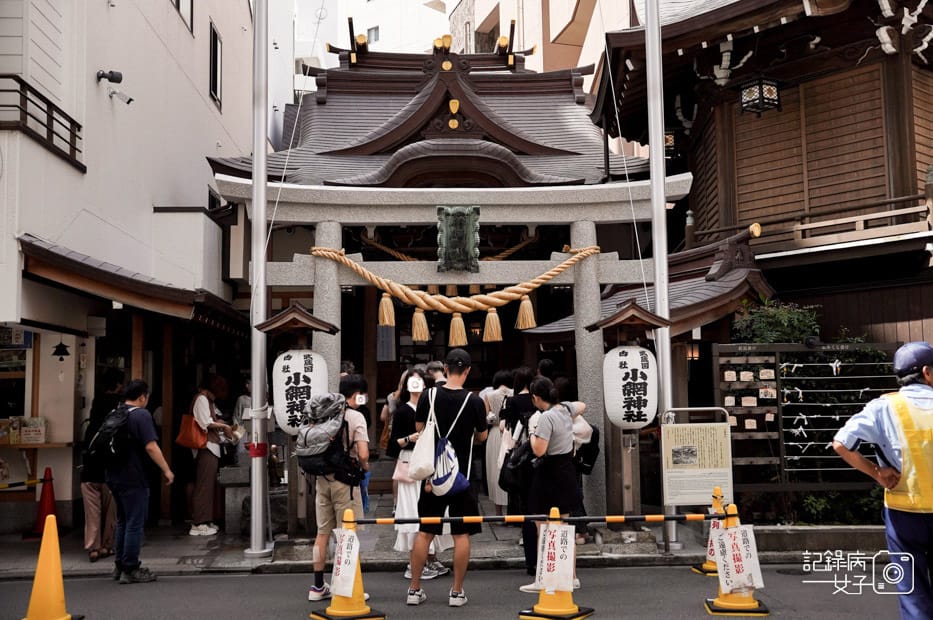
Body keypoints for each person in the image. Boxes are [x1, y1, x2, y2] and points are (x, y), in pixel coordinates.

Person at [833, 341, 933, 619]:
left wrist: (877, 472)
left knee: (912, 591)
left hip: (904, 513)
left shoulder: (883, 407)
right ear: (927, 372)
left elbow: (841, 443)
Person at [406, 348, 487, 608]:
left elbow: (419, 429)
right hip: (460, 476)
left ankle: (414, 589)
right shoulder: (474, 401)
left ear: (446, 368)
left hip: (432, 476)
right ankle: (456, 592)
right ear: (466, 371)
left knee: (426, 531)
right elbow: (482, 436)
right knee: (461, 534)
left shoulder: (428, 395)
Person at [520, 376, 585, 593]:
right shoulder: (565, 409)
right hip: (566, 472)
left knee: (542, 527)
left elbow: (539, 449)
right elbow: (582, 405)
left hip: (549, 473)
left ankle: (543, 578)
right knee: (565, 527)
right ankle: (572, 576)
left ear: (536, 398)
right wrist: (568, 407)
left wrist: (531, 433)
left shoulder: (545, 417)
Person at [106, 380, 174, 584]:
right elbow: (151, 447)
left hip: (113, 476)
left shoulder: (115, 413)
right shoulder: (141, 415)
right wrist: (167, 470)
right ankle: (131, 568)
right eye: (147, 397)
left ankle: (119, 565)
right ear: (142, 397)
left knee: (123, 521)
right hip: (133, 476)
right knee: (135, 523)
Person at [307, 391, 370, 602]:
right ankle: (348, 587)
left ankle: (317, 586)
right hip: (345, 481)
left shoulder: (319, 415)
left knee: (322, 533)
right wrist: (365, 468)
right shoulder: (354, 417)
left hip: (321, 478)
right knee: (347, 534)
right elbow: (363, 454)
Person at [389, 368, 451, 580]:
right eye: (412, 382)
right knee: (412, 512)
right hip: (410, 463)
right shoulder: (401, 411)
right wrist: (410, 438)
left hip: (429, 464)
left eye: (419, 382)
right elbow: (392, 444)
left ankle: (430, 558)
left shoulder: (431, 407)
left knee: (430, 511)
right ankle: (415, 562)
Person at [80, 369, 122, 562]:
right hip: (110, 471)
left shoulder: (91, 425)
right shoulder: (117, 420)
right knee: (111, 511)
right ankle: (107, 545)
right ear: (118, 386)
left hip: (89, 472)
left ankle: (93, 548)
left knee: (92, 513)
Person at [189, 375, 233, 536]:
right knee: (204, 485)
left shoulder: (207, 400)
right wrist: (224, 427)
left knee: (208, 485)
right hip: (205, 446)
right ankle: (198, 523)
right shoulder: (202, 399)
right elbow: (204, 422)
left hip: (210, 446)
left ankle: (205, 520)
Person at [483, 369, 513, 516]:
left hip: (495, 433)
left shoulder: (489, 395)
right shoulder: (514, 393)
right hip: (512, 433)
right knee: (511, 469)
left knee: (495, 471)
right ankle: (513, 510)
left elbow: (485, 418)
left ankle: (498, 512)